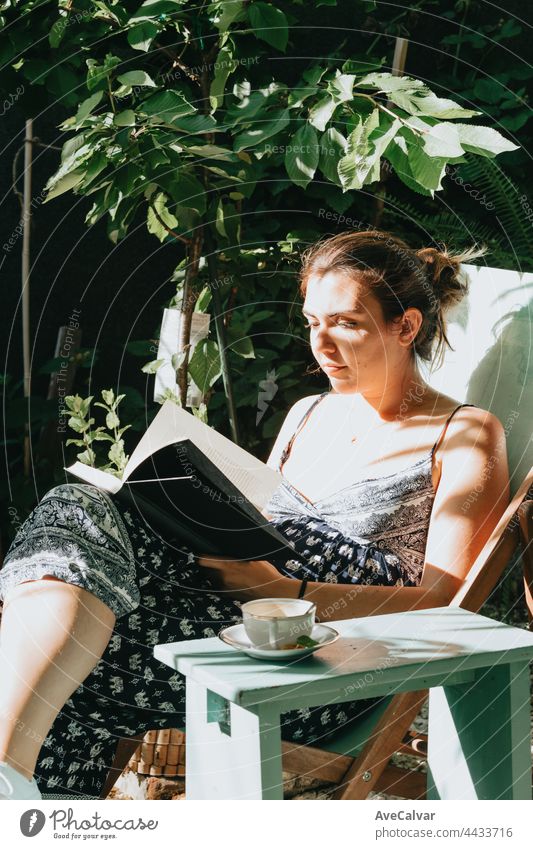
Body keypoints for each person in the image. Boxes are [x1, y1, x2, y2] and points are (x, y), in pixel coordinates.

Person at [0, 230, 509, 800]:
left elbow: (445, 595)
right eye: (313, 321)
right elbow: (252, 524)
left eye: (347, 323)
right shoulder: (306, 414)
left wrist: (284, 588)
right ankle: (11, 780)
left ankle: (13, 785)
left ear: (406, 326)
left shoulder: (464, 433)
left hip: (319, 660)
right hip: (226, 613)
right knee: (77, 511)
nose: (322, 344)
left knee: (59, 652)